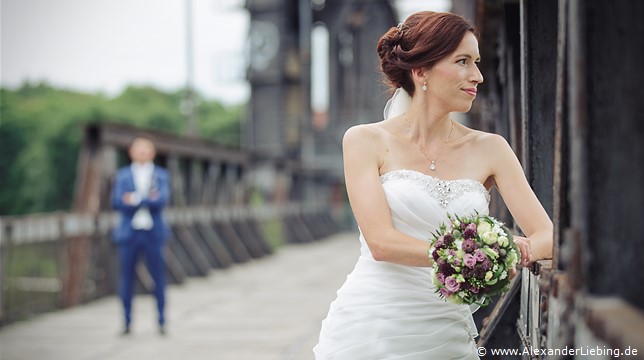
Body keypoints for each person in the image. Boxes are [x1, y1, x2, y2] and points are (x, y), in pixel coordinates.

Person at [313, 11, 553, 359]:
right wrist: (470, 257)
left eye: (478, 62)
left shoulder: (492, 148)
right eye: (463, 62)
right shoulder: (364, 141)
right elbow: (381, 242)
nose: (478, 76)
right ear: (421, 70)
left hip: (446, 332)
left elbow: (545, 233)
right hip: (372, 326)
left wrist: (508, 252)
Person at [111, 137, 171, 335]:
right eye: (139, 149)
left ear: (153, 152)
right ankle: (126, 322)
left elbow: (161, 200)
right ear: (131, 152)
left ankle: (162, 321)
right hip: (130, 234)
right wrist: (146, 199)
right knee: (126, 279)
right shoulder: (123, 175)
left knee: (158, 278)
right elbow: (117, 202)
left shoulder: (161, 175)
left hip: (153, 233)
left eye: (147, 149)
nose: (143, 152)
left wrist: (134, 198)